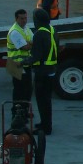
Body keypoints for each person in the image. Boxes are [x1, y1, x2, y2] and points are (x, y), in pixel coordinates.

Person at [28, 7, 57, 135]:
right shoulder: (52, 30)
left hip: (42, 72)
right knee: (47, 100)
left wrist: (23, 62)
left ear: (37, 20)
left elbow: (36, 56)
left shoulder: (39, 34)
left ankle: (45, 128)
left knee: (41, 100)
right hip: (51, 70)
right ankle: (46, 123)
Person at [6, 8, 33, 105]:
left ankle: (25, 109)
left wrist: (29, 43)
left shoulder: (26, 28)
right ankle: (17, 110)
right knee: (19, 90)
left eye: (25, 18)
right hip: (17, 65)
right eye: (22, 18)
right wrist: (30, 44)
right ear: (16, 19)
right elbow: (25, 47)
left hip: (25, 64)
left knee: (28, 89)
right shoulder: (14, 32)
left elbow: (33, 40)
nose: (24, 20)